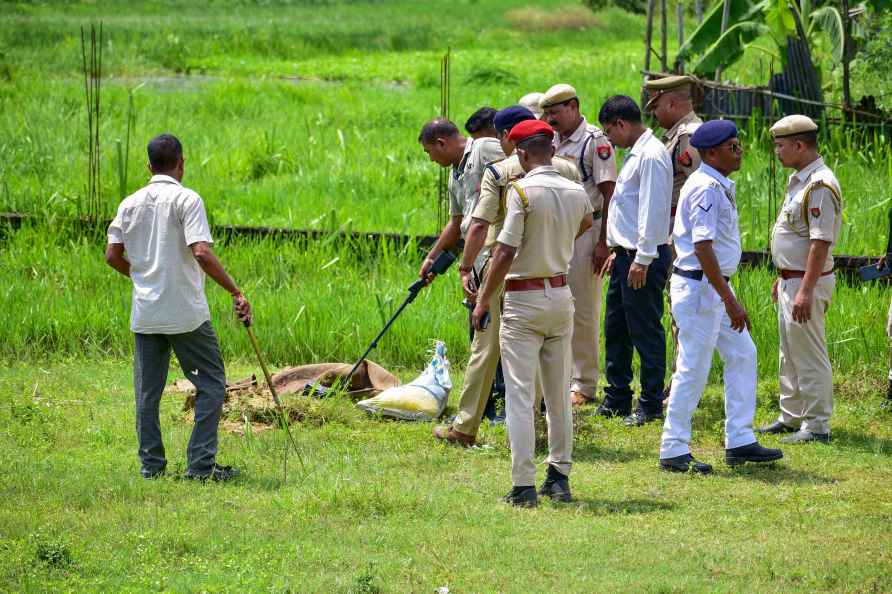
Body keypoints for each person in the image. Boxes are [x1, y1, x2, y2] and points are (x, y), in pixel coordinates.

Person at [105, 133, 251, 482]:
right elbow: (200, 251)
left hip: (146, 313)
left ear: (148, 166)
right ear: (181, 163)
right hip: (186, 314)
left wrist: (142, 277)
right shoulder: (187, 199)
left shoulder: (129, 203)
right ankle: (201, 467)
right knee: (213, 385)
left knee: (147, 394)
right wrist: (235, 291)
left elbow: (112, 256)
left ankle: (151, 467)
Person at [433, 106, 580, 445]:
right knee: (547, 354)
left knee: (485, 348)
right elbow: (584, 218)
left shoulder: (498, 172)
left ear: (508, 138)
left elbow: (480, 224)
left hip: (503, 268)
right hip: (552, 271)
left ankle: (466, 427)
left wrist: (466, 267)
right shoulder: (567, 170)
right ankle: (538, 426)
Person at [471, 119, 593, 507]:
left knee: (521, 395)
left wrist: (483, 300)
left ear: (521, 154)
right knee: (558, 394)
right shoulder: (575, 190)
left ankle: (523, 483)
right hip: (560, 293)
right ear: (552, 151)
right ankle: (559, 475)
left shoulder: (520, 191)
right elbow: (587, 221)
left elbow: (504, 251)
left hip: (523, 298)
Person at [659, 120, 784, 472]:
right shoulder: (705, 188)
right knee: (693, 369)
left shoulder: (717, 184)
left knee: (743, 353)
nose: (740, 150)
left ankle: (740, 440)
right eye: (733, 146)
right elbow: (702, 246)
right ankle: (673, 448)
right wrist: (729, 299)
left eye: (739, 144)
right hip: (702, 288)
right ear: (711, 153)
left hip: (712, 286)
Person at [757, 115, 843, 444]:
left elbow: (820, 243)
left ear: (799, 145)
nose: (776, 152)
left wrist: (804, 289)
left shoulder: (820, 184)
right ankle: (791, 415)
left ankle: (817, 425)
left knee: (808, 353)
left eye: (780, 146)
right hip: (791, 280)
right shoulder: (800, 180)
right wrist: (784, 276)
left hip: (805, 283)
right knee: (789, 352)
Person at [597, 95, 672, 426]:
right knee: (617, 327)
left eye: (609, 132)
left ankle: (651, 402)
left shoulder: (652, 155)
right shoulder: (636, 154)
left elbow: (652, 210)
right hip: (626, 255)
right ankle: (617, 397)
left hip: (644, 256)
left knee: (645, 330)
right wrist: (618, 251)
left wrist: (642, 258)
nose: (609, 140)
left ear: (621, 124)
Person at [541, 83, 617, 408]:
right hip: (561, 231)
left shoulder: (594, 141)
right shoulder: (552, 141)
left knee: (584, 309)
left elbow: (609, 192)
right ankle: (564, 377)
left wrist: (605, 242)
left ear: (573, 106)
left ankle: (585, 384)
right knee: (560, 305)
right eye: (547, 113)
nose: (550, 119)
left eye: (555, 112)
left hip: (589, 230)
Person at [644, 75, 703, 403]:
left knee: (684, 312)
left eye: (657, 107)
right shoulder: (676, 135)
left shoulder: (688, 136)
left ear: (671, 103)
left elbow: (698, 189)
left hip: (686, 237)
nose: (654, 114)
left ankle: (683, 386)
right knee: (678, 312)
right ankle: (681, 381)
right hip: (674, 233)